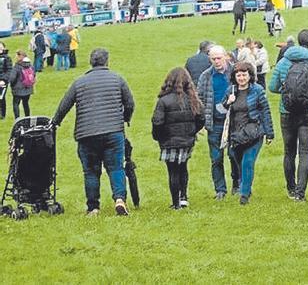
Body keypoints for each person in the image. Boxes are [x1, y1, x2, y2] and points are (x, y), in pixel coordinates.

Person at [51, 48, 135, 216]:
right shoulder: (117, 79)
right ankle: (119, 199)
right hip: (113, 131)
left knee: (90, 171)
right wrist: (125, 118)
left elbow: (64, 104)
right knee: (116, 167)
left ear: (91, 62)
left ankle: (93, 207)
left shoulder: (79, 82)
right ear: (107, 61)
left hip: (86, 133)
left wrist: (55, 122)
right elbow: (130, 103)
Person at [269, 29, 308, 201]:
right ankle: (300, 193)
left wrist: (287, 92)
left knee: (289, 152)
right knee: (305, 153)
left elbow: (272, 87)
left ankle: (291, 188)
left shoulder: (283, 62)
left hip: (286, 112)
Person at [220, 61, 274, 204]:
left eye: (244, 75)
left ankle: (244, 195)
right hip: (236, 134)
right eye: (239, 75)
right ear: (234, 76)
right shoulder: (231, 90)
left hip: (253, 132)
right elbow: (222, 108)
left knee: (247, 162)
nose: (242, 78)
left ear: (250, 76)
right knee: (238, 161)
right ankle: (246, 186)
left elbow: (265, 111)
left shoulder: (258, 90)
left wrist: (269, 133)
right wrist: (228, 102)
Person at [151, 68, 205, 209]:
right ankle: (184, 197)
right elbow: (201, 119)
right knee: (183, 167)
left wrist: (159, 137)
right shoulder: (193, 99)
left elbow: (157, 122)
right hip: (187, 140)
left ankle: (176, 203)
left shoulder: (163, 101)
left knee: (173, 171)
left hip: (169, 141)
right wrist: (192, 132)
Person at [197, 44, 239, 199]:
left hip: (234, 121)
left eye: (219, 58)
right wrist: (200, 122)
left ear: (225, 57)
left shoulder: (235, 72)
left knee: (234, 155)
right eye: (213, 59)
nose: (216, 61)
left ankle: (237, 184)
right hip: (214, 123)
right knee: (216, 159)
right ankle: (220, 189)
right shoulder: (205, 76)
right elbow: (200, 99)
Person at [8, 50, 34, 118]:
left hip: (17, 89)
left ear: (19, 56)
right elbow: (33, 75)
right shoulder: (30, 65)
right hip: (28, 89)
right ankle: (27, 117)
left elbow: (12, 78)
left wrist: (11, 85)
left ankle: (17, 119)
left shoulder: (17, 66)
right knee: (26, 104)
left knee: (16, 104)